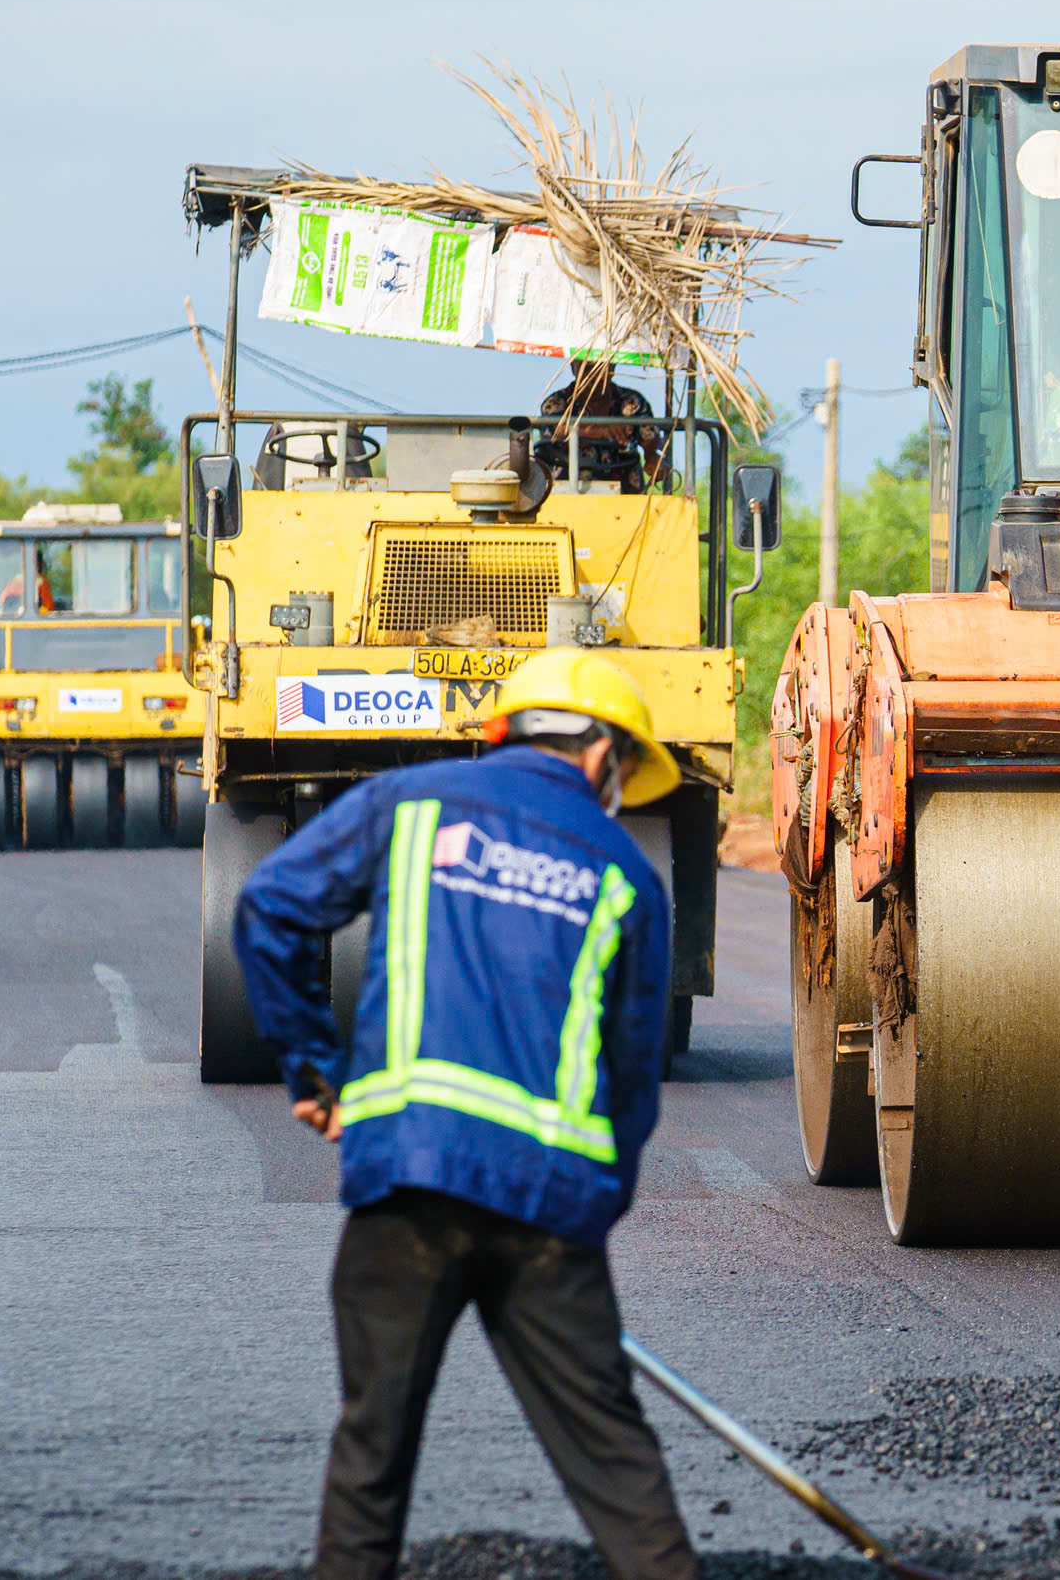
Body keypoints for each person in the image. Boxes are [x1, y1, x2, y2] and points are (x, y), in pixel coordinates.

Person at [233, 649, 700, 1580]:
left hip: (407, 1181)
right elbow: (634, 1078)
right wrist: (590, 1209)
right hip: (547, 1210)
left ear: (505, 733)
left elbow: (267, 907)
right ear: (602, 754)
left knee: (372, 1456)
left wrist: (313, 1072)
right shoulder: (627, 877)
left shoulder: (410, 805)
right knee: (616, 1463)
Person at [538, 357, 659, 493]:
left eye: (602, 368)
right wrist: (599, 432)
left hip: (624, 495)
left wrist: (652, 457)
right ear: (573, 368)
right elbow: (557, 430)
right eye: (588, 368)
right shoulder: (557, 402)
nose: (594, 376)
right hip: (566, 492)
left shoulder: (631, 402)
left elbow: (650, 437)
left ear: (612, 369)